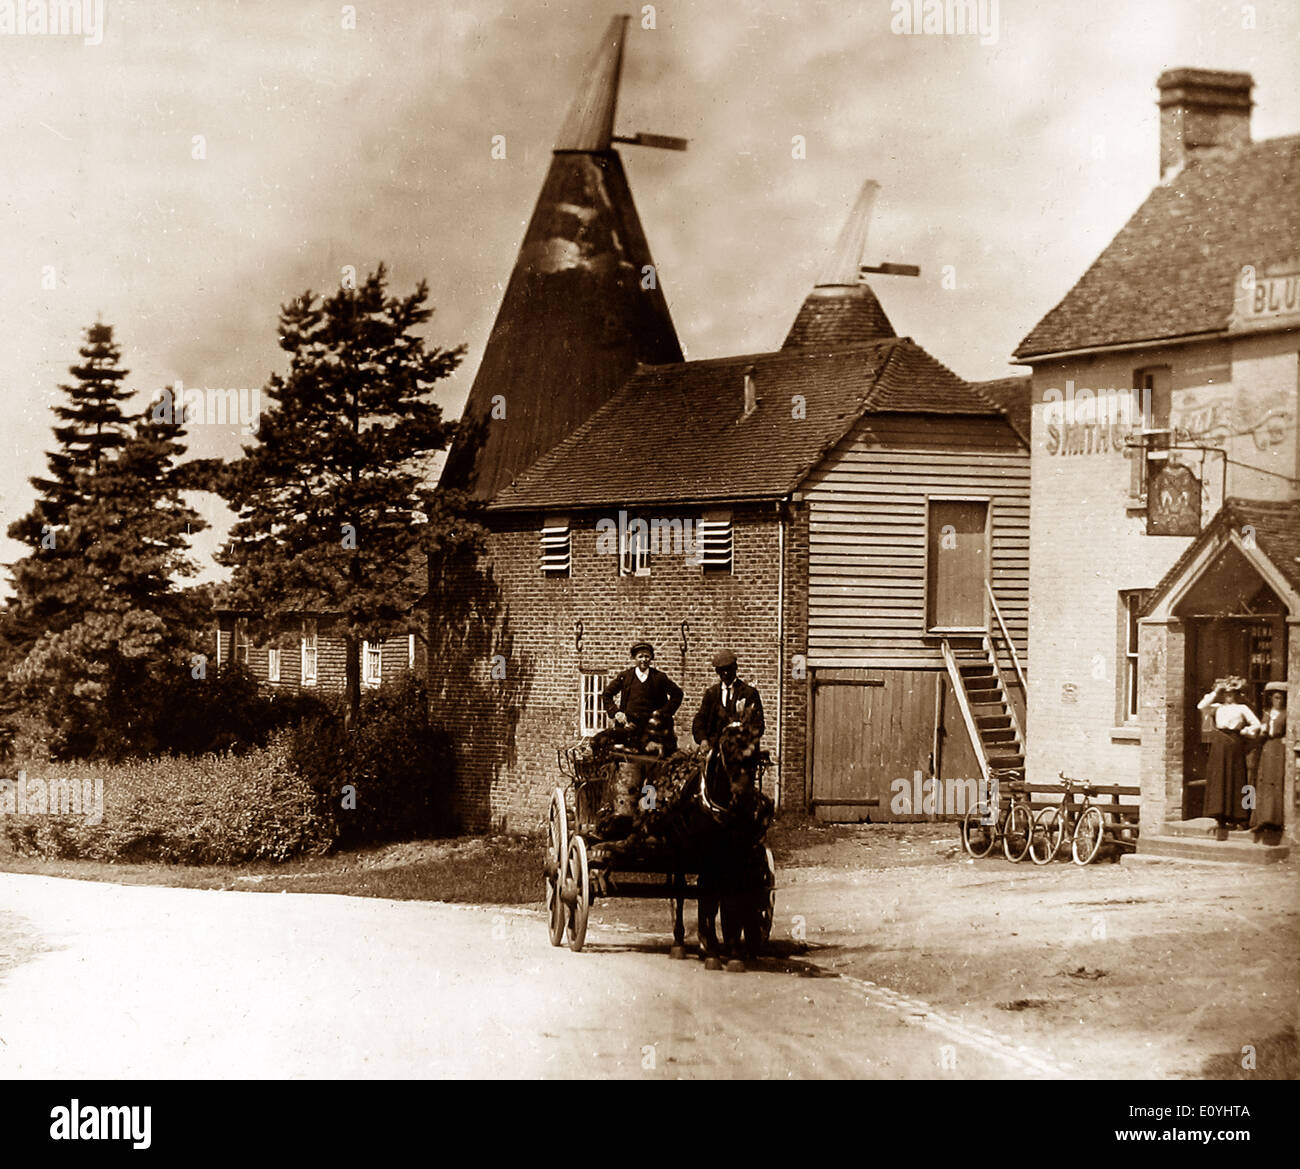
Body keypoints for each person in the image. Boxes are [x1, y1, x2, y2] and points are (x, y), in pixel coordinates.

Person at [598, 642, 683, 838]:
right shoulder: (626, 677)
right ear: (634, 659)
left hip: (653, 733)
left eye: (647, 656)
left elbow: (678, 694)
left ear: (651, 658)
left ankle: (649, 812)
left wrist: (663, 713)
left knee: (652, 770)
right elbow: (607, 694)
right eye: (640, 656)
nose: (643, 660)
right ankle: (622, 811)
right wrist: (616, 713)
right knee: (627, 769)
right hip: (630, 731)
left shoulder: (659, 678)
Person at [1198, 676, 1261, 832]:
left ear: (1236, 694)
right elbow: (1201, 706)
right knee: (1219, 778)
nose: (1228, 696)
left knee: (1236, 778)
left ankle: (1239, 817)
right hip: (1219, 744)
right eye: (1226, 693)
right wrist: (1216, 691)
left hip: (1234, 743)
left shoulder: (1242, 708)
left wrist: (1245, 731)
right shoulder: (1217, 707)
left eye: (1231, 694)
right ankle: (1220, 817)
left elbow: (1257, 724)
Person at [692, 649, 765, 750]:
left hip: (741, 751)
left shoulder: (749, 693)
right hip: (716, 749)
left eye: (728, 669)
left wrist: (743, 740)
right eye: (721, 670)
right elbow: (700, 719)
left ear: (735, 668)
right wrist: (703, 739)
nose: (725, 673)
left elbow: (758, 724)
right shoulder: (712, 694)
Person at [1249, 682, 1286, 840]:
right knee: (1263, 781)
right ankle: (1261, 819)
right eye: (1276, 698)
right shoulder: (1267, 713)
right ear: (1271, 699)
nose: (1278, 701)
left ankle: (1273, 819)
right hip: (1266, 747)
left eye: (1281, 698)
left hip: (1278, 747)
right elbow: (1262, 731)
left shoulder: (1286, 714)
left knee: (1274, 781)